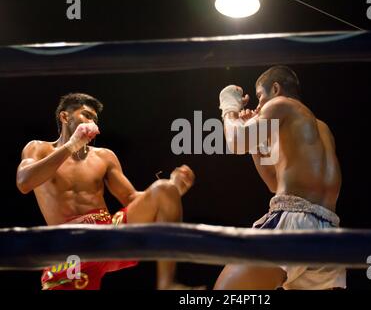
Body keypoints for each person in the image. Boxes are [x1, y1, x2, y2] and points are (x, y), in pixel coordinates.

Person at [16, 92, 195, 290]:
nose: (91, 121)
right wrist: (71, 146)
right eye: (86, 115)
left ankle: (166, 284)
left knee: (165, 188)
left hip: (109, 232)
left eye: (94, 118)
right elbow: (24, 182)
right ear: (65, 117)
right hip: (70, 243)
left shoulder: (104, 157)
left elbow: (130, 197)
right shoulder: (39, 149)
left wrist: (172, 191)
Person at [214, 66, 346, 290]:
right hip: (329, 235)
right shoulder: (322, 128)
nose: (257, 106)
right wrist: (257, 143)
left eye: (259, 97)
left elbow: (235, 141)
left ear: (275, 88)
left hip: (293, 224)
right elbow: (274, 184)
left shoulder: (280, 104)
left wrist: (229, 108)